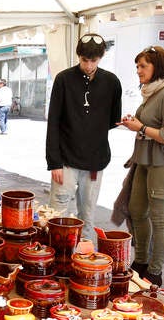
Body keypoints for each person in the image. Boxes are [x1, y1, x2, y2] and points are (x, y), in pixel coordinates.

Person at [117, 45, 164, 287]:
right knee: (137, 210)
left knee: (160, 219)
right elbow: (150, 126)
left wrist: (140, 127)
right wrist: (135, 123)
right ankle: (140, 262)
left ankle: (155, 271)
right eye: (137, 66)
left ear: (157, 67)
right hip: (147, 161)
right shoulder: (152, 92)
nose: (138, 71)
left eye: (143, 66)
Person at [45, 33, 122, 244]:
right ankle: (55, 261)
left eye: (93, 60)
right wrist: (54, 163)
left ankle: (84, 263)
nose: (88, 65)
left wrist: (90, 129)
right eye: (84, 60)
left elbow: (113, 120)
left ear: (101, 57)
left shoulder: (112, 82)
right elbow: (53, 122)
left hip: (95, 162)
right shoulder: (63, 79)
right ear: (78, 56)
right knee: (57, 215)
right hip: (65, 160)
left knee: (87, 216)